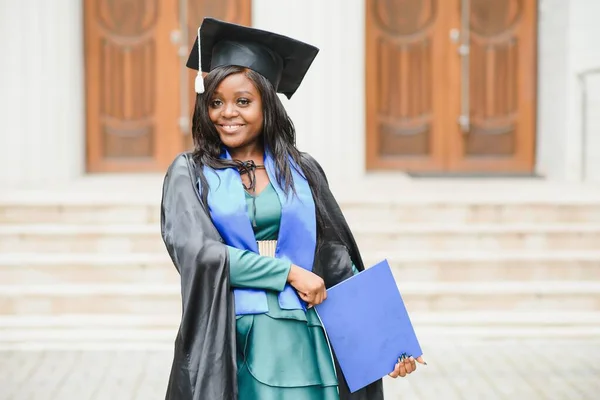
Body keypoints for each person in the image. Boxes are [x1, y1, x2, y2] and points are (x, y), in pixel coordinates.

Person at [160, 18, 425, 400]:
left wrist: (384, 342)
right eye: (216, 102)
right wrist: (288, 273)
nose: (226, 113)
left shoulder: (302, 169)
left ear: (268, 104)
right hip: (236, 336)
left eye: (243, 101)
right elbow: (199, 254)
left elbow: (335, 259)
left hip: (306, 333)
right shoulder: (191, 172)